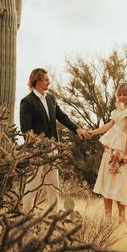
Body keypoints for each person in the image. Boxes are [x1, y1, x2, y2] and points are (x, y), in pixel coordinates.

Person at [20, 68, 87, 213]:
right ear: (37, 81)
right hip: (37, 151)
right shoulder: (27, 102)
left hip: (53, 150)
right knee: (32, 186)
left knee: (53, 186)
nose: (49, 82)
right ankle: (26, 217)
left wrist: (77, 129)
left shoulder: (51, 99)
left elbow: (62, 117)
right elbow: (26, 130)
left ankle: (53, 218)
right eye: (46, 80)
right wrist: (34, 150)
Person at [86, 82, 127, 223]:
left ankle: (122, 220)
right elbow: (109, 125)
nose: (122, 97)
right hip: (109, 150)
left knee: (119, 185)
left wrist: (125, 154)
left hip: (120, 151)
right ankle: (108, 219)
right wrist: (93, 132)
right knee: (107, 184)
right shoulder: (117, 111)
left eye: (124, 94)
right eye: (119, 94)